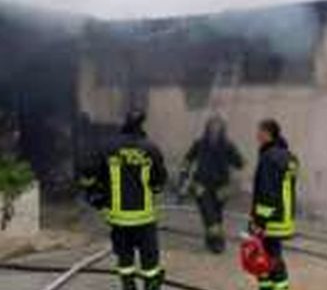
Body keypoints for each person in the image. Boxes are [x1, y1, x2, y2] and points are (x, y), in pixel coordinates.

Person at [82, 110, 168, 290]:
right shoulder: (151, 149)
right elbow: (159, 183)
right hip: (144, 219)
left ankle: (128, 286)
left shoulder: (107, 147)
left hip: (118, 218)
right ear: (141, 126)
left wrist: (95, 197)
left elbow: (89, 174)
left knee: (125, 257)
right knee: (150, 261)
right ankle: (151, 285)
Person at [180, 114, 244, 253]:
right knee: (209, 213)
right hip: (201, 185)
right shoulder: (199, 144)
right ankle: (217, 242)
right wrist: (184, 176)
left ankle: (211, 240)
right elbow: (187, 159)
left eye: (217, 128)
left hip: (221, 187)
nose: (214, 130)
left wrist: (238, 161)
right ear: (207, 129)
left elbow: (239, 163)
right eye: (212, 128)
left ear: (222, 130)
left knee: (216, 215)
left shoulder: (227, 145)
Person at [249, 119, 298, 290]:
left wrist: (259, 222)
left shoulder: (269, 157)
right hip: (284, 217)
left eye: (259, 131)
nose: (257, 135)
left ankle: (277, 288)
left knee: (268, 258)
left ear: (267, 133)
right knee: (271, 256)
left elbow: (267, 192)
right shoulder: (289, 157)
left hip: (270, 220)